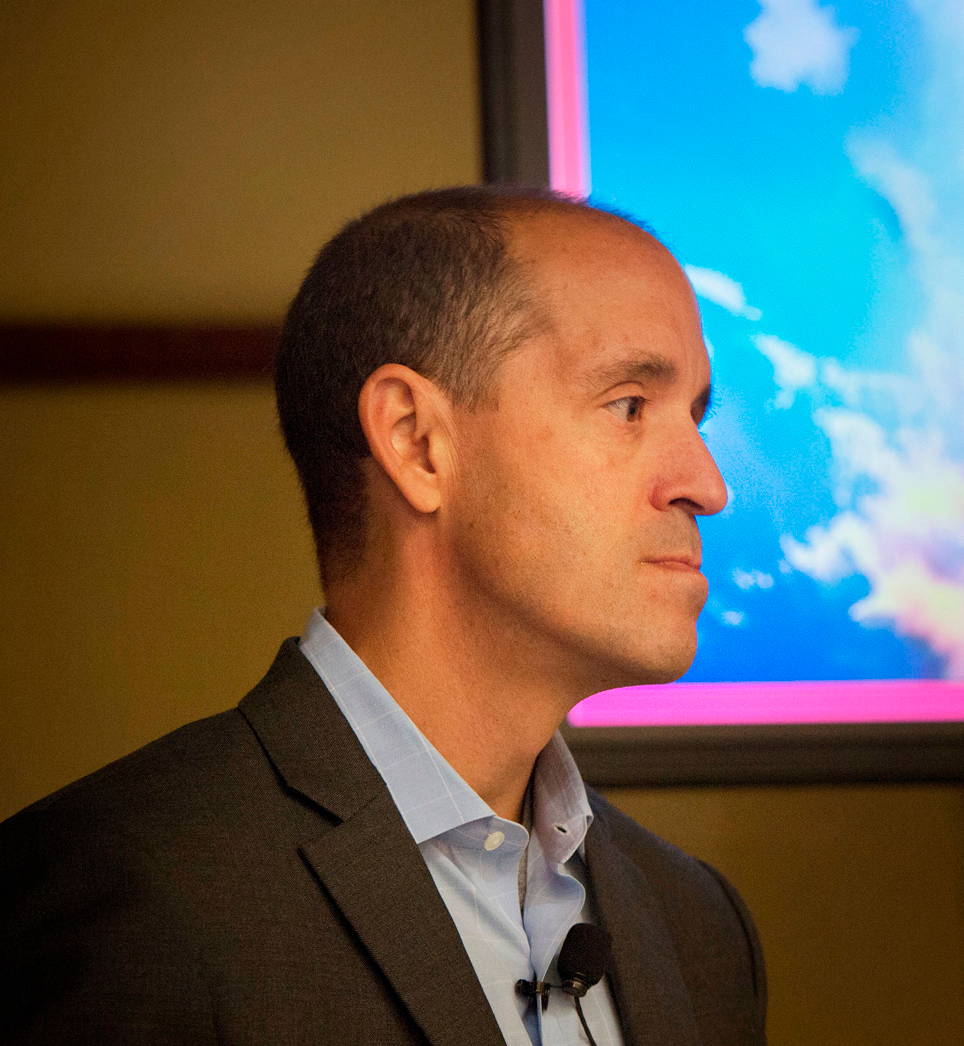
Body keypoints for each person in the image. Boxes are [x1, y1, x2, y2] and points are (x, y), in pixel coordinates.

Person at [0, 187, 765, 1046]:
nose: (707, 484)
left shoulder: (698, 927)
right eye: (630, 405)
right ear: (415, 441)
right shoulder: (129, 900)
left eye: (696, 415)